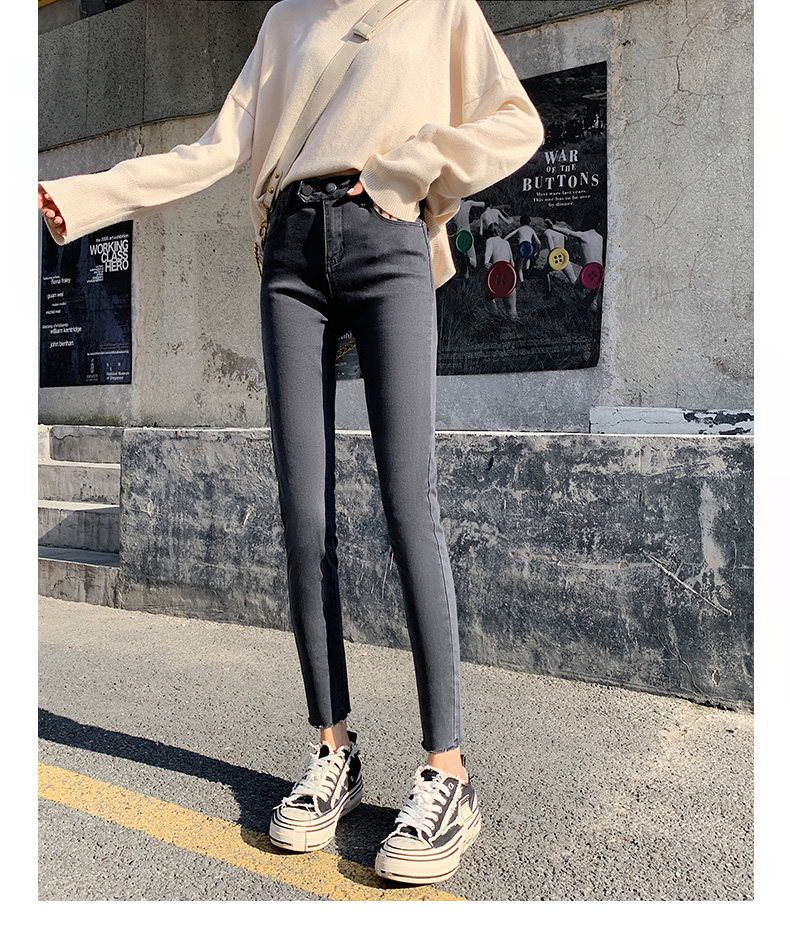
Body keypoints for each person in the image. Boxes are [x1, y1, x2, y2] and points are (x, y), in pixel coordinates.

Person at [39, 0, 544, 886]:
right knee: (302, 514)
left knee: (408, 499)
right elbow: (216, 148)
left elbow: (515, 121)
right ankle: (333, 748)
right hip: (292, 255)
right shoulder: (285, 20)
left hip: (388, 237)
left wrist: (409, 167)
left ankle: (449, 770)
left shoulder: (435, 7)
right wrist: (87, 196)